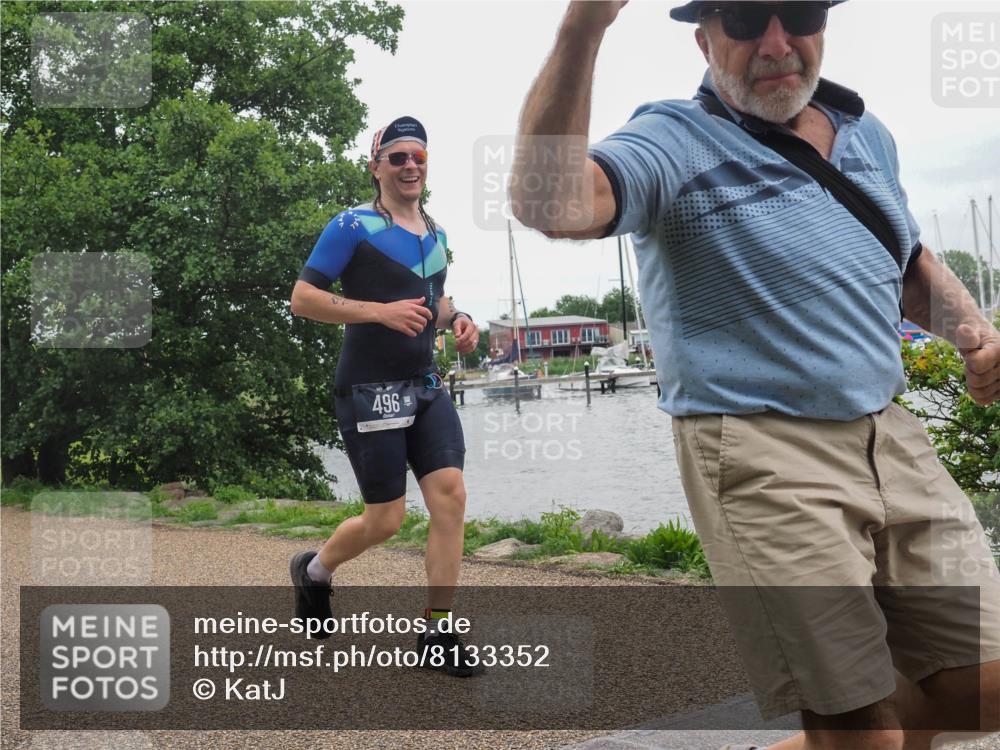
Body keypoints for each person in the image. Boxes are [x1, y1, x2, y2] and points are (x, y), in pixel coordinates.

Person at [510, 2, 1000, 748]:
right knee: (862, 728)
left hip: (892, 438)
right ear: (705, 39)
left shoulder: (869, 136)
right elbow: (551, 202)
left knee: (985, 690)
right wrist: (584, 29)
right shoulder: (675, 138)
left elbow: (902, 260)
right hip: (761, 450)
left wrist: (975, 333)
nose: (776, 42)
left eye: (796, 11)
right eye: (743, 18)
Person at [289, 115, 483, 677]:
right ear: (376, 167)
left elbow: (435, 303)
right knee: (386, 519)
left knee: (450, 495)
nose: (409, 165)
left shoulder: (436, 232)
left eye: (417, 156)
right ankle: (316, 571)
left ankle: (438, 632)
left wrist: (460, 319)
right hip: (368, 388)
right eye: (396, 156)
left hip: (424, 384)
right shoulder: (351, 226)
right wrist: (378, 311)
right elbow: (303, 299)